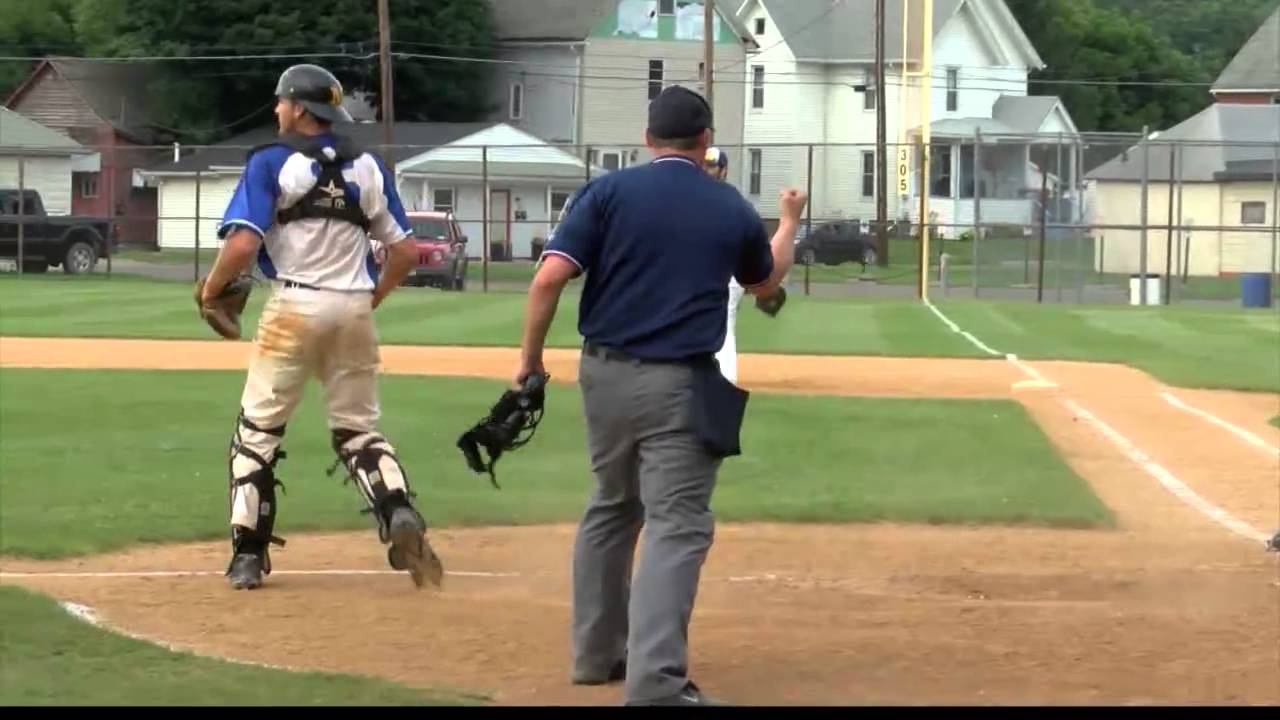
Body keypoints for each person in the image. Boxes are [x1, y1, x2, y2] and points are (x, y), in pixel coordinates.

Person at [514, 85, 807, 706]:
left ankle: (595, 657)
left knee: (612, 507)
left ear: (648, 139)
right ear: (706, 143)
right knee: (677, 526)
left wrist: (530, 364)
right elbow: (765, 284)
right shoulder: (726, 205)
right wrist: (787, 225)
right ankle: (656, 687)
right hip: (679, 383)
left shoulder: (607, 192)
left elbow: (547, 280)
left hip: (603, 375)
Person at [200, 63, 443, 591]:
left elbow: (242, 244)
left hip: (293, 306)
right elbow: (404, 251)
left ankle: (248, 555)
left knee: (257, 434)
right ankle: (397, 510)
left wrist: (209, 289)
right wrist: (369, 298)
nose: (277, 109)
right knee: (359, 430)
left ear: (300, 109)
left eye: (282, 102)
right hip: (353, 306)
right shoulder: (369, 168)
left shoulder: (271, 162)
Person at [702, 146, 787, 384]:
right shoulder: (695, 195)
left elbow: (748, 236)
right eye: (704, 165)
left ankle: (727, 380)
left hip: (728, 270)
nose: (706, 170)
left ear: (723, 170)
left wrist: (753, 274)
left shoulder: (732, 200)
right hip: (700, 269)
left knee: (725, 320)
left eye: (712, 165)